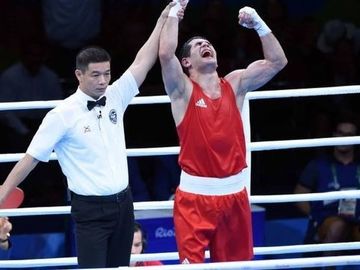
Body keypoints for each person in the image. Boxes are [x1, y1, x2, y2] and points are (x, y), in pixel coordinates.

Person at [0, 2, 179, 268]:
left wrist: (163, 18)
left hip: (124, 204)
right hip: (90, 211)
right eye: (95, 75)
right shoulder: (62, 115)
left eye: (106, 74)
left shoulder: (116, 95)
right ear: (78, 75)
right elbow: (31, 159)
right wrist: (2, 194)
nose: (102, 80)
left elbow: (143, 59)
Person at [159, 2, 287, 263]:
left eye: (208, 44)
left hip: (234, 196)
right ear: (186, 62)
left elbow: (277, 61)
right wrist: (174, 11)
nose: (206, 46)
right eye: (198, 45)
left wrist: (258, 24)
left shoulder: (236, 83)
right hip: (195, 198)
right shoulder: (181, 91)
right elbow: (164, 55)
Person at [294, 113, 360, 251]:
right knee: (337, 227)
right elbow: (299, 196)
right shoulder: (318, 165)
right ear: (334, 135)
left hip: (357, 218)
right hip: (327, 219)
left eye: (349, 135)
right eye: (340, 133)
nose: (343, 138)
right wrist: (315, 216)